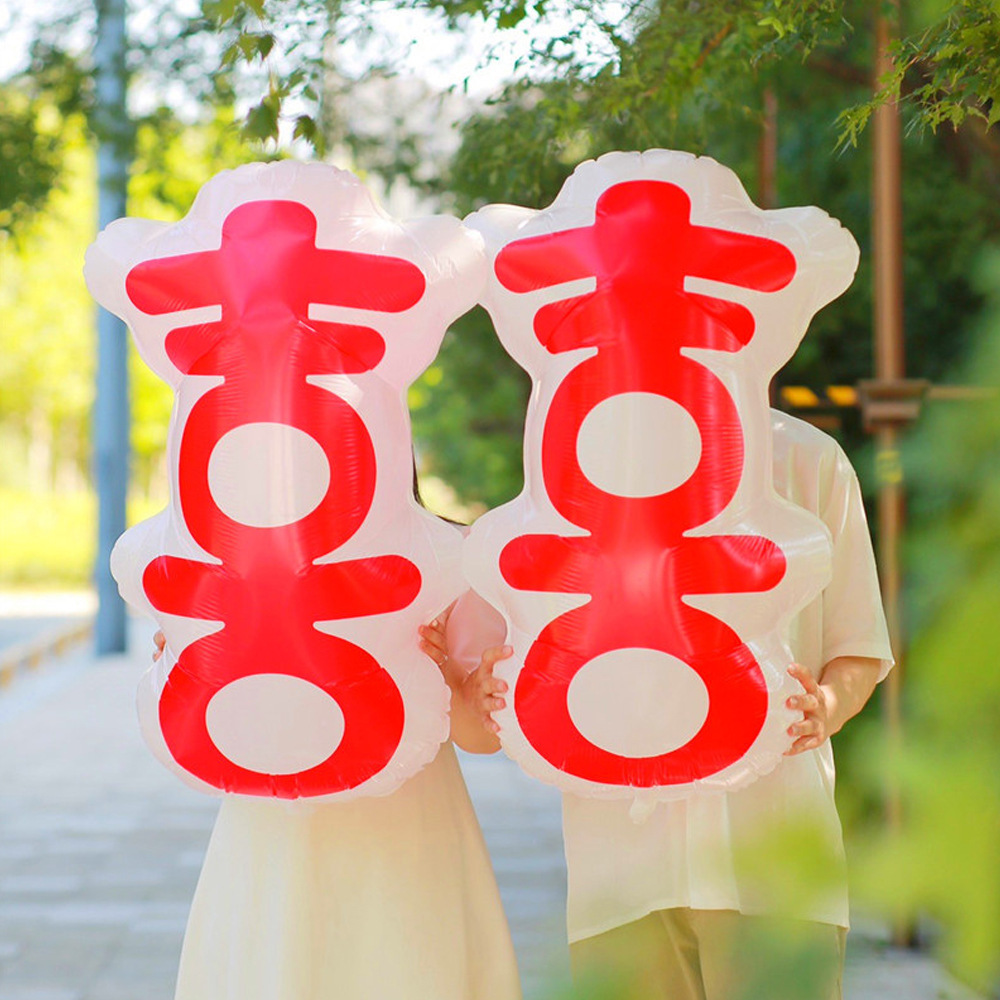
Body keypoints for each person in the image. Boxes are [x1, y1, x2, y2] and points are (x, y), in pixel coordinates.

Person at [438, 410, 894, 1000]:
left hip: (773, 849)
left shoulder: (807, 457)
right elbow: (519, 659)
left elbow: (857, 645)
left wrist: (826, 707)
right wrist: (480, 688)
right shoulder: (563, 461)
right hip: (621, 866)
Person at [152, 590, 521, 1000]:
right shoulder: (244, 539)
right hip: (278, 830)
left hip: (406, 837)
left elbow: (478, 733)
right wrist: (189, 656)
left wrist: (452, 680)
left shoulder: (445, 555)